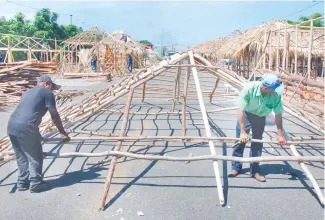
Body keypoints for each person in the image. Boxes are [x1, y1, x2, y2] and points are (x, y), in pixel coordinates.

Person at [7, 76, 70, 193]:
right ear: (46, 83)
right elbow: (54, 115)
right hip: (26, 127)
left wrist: (36, 135)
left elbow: (27, 111)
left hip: (12, 126)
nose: (53, 90)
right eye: (52, 87)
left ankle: (22, 183)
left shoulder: (28, 92)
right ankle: (36, 183)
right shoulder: (47, 92)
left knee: (22, 156)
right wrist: (62, 132)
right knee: (36, 156)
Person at [228, 74, 287, 182]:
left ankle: (255, 170)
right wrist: (242, 132)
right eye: (274, 89)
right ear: (265, 87)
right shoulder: (249, 89)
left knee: (257, 142)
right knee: (240, 141)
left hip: (260, 116)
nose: (276, 91)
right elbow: (241, 110)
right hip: (246, 113)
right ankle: (235, 167)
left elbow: (278, 115)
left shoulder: (276, 94)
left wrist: (280, 135)